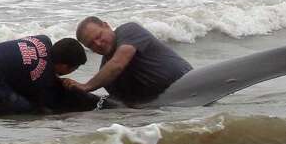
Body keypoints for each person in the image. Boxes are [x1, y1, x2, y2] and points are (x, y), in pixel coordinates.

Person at [64, 16, 192, 105]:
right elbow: (132, 106)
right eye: (91, 44)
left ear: (106, 26)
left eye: (98, 36)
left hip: (190, 81)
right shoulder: (107, 77)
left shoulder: (129, 31)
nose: (98, 43)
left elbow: (118, 63)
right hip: (171, 102)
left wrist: (86, 86)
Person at [0, 36, 90, 114]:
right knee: (28, 108)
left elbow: (32, 65)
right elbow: (46, 100)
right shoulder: (42, 77)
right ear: (65, 66)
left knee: (5, 88)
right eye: (73, 69)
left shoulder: (42, 40)